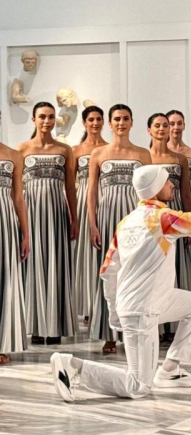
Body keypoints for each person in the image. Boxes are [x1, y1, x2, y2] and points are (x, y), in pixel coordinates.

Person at [50, 165, 191, 402]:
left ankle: (170, 369)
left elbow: (108, 271)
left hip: (149, 301)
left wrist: (114, 310)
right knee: (138, 386)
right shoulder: (162, 219)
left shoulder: (126, 222)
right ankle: (73, 367)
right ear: (154, 188)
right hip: (141, 309)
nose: (172, 184)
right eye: (166, 182)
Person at [88, 104, 152, 354]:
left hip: (134, 221)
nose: (121, 123)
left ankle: (135, 331)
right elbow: (92, 193)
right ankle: (109, 334)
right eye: (117, 119)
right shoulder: (98, 153)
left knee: (134, 274)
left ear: (132, 122)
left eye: (126, 119)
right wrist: (93, 224)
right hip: (107, 221)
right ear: (110, 123)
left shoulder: (142, 154)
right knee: (109, 275)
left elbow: (149, 192)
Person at [17, 102, 79, 345]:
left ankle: (54, 326)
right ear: (33, 120)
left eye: (51, 117)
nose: (47, 121)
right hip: (31, 214)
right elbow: (16, 191)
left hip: (57, 214)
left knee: (57, 264)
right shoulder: (22, 149)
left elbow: (70, 188)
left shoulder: (64, 150)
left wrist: (74, 218)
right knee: (33, 266)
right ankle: (35, 325)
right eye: (42, 116)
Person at [149, 112, 191, 341]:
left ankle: (173, 326)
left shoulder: (180, 159)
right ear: (149, 130)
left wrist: (190, 225)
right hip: (153, 219)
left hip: (175, 216)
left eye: (165, 125)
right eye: (157, 125)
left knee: (175, 268)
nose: (162, 129)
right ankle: (154, 325)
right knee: (155, 269)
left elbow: (186, 193)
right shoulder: (144, 157)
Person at [72, 106, 107, 325]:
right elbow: (70, 183)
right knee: (86, 253)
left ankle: (103, 303)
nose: (95, 123)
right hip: (83, 200)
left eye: (98, 119)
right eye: (91, 119)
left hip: (105, 200)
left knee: (104, 250)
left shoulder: (108, 148)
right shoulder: (76, 150)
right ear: (84, 123)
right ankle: (87, 306)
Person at [166, 110, 191, 293]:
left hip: (186, 205)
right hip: (165, 207)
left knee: (186, 253)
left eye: (179, 123)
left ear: (184, 125)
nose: (176, 127)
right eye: (172, 123)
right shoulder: (157, 153)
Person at [0, 141, 29, 364]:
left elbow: (18, 198)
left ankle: (2, 344)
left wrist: (26, 234)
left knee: (5, 280)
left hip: (6, 224)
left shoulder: (14, 155)